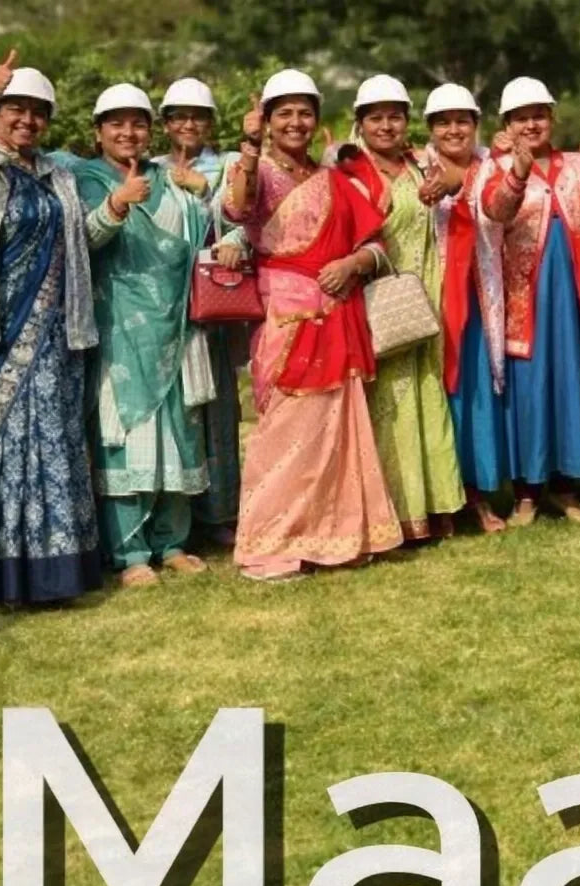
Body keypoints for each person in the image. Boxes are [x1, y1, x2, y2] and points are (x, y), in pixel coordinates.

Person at [223, 68, 402, 580]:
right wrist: (250, 146)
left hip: (337, 313)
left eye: (305, 112)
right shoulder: (255, 170)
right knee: (283, 432)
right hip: (285, 317)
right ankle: (270, 544)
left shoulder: (333, 181)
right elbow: (238, 207)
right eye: (286, 113)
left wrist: (354, 266)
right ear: (269, 120)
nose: (297, 122)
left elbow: (376, 242)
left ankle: (333, 538)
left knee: (335, 431)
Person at [0, 55, 102, 604]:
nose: (26, 121)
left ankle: (58, 572)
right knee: (9, 450)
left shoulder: (58, 175)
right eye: (14, 109)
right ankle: (3, 572)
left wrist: (112, 211)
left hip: (60, 333)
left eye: (37, 112)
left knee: (57, 446)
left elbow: (76, 246)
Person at [74, 83, 214, 586]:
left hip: (174, 327)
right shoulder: (83, 178)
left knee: (176, 432)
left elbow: (202, 238)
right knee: (124, 434)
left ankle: (171, 542)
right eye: (117, 123)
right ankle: (129, 552)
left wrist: (202, 195)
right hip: (119, 328)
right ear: (98, 132)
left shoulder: (171, 177)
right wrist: (115, 204)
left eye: (138, 123)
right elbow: (82, 241)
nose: (128, 132)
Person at [478, 76, 580, 525]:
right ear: (507, 123)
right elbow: (496, 210)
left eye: (538, 115)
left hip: (575, 297)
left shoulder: (579, 163)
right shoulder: (494, 166)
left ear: (552, 118)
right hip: (525, 299)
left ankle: (566, 486)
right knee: (530, 388)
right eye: (521, 118)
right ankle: (526, 491)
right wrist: (518, 173)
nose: (531, 124)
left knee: (569, 383)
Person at [337, 74, 464, 542]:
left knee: (428, 396)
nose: (386, 125)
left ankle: (436, 504)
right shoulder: (351, 170)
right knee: (389, 404)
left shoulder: (417, 164)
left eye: (395, 116)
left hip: (425, 292)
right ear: (361, 123)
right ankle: (395, 510)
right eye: (376, 117)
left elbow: (464, 175)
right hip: (379, 300)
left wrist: (443, 183)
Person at [152, 77, 249, 549]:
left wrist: (211, 197)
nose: (189, 123)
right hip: (162, 310)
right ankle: (177, 516)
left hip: (214, 308)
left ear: (211, 122)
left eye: (198, 115)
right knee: (175, 412)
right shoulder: (150, 170)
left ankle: (221, 512)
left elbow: (248, 216)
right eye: (179, 116)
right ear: (166, 124)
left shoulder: (230, 164)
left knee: (219, 408)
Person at [418, 82, 508, 533]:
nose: (454, 130)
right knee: (437, 397)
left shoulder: (493, 165)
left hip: (482, 292)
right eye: (443, 122)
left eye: (462, 121)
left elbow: (501, 204)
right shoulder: (415, 168)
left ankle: (478, 495)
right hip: (432, 298)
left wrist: (465, 183)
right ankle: (440, 499)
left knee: (475, 398)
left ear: (476, 125)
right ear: (430, 129)